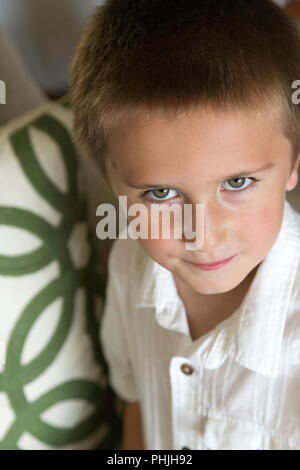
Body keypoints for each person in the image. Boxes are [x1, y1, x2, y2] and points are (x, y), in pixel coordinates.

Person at [69, 0, 300, 450]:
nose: (202, 234)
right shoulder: (130, 264)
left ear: (294, 165)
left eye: (238, 182)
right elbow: (135, 398)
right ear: (111, 182)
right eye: (160, 194)